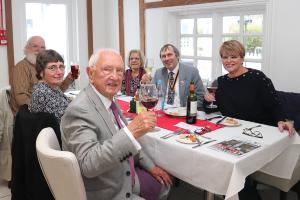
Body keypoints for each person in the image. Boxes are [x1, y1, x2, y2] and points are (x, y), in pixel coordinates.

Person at [61, 49, 172, 200]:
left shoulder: (108, 99)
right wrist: (131, 132)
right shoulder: (80, 109)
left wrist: (151, 167)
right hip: (109, 190)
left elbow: (128, 141)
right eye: (107, 69)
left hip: (124, 172)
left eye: (119, 71)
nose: (114, 76)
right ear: (90, 73)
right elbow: (88, 164)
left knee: (165, 183)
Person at [204, 40, 294, 135]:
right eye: (225, 57)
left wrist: (281, 120)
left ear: (242, 59)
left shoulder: (257, 77)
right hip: (233, 131)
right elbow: (209, 109)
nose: (229, 61)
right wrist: (207, 100)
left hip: (260, 130)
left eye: (233, 57)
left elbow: (274, 104)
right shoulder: (220, 81)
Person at [10, 36, 75, 115]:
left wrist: (69, 79)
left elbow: (57, 90)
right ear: (27, 48)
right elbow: (21, 98)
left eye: (42, 47)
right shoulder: (21, 67)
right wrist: (39, 106)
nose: (39, 50)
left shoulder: (45, 70)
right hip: (30, 117)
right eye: (35, 46)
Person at [141, 44, 205, 110]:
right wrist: (146, 84)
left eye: (169, 55)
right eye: (163, 56)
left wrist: (187, 111)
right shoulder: (158, 73)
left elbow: (200, 97)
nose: (167, 58)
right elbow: (150, 96)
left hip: (183, 113)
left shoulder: (191, 72)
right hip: (163, 112)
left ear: (177, 56)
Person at [28, 49, 71, 122]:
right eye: (52, 68)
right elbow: (66, 120)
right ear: (41, 72)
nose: (59, 72)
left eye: (61, 67)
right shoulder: (42, 93)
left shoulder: (52, 87)